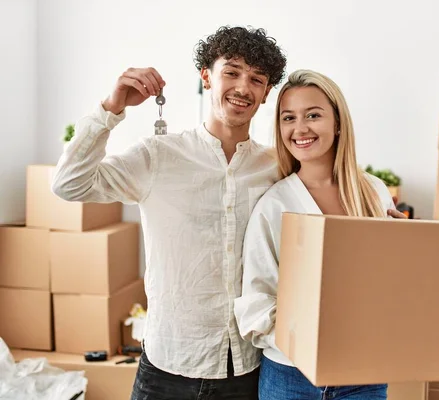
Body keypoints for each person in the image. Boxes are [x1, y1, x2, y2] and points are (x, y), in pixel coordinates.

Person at [51, 26, 287, 400]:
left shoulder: (276, 166)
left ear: (266, 92)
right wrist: (111, 109)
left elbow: (331, 181)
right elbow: (69, 184)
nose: (243, 87)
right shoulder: (158, 156)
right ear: (206, 76)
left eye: (257, 79)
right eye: (232, 72)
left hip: (246, 367)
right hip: (167, 366)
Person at [234, 69, 407, 400]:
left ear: (338, 122)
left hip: (363, 373)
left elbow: (389, 286)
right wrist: (305, 338)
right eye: (289, 118)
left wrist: (416, 246)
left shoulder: (373, 191)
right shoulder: (274, 206)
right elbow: (257, 301)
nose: (300, 128)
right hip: (290, 377)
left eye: (313, 115)